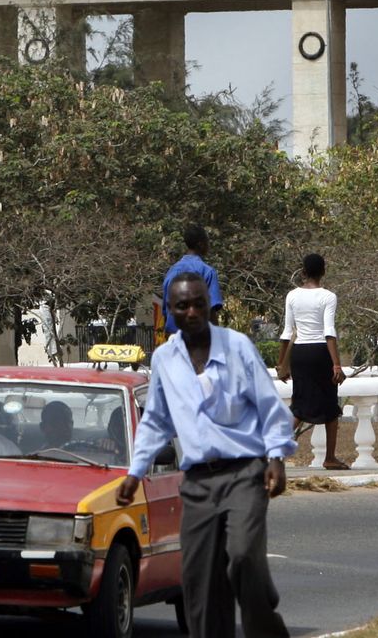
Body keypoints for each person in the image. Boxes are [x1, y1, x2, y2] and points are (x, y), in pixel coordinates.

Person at [119, 272, 296, 638]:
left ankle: (265, 617)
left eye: (199, 303)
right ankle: (249, 597)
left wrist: (276, 456)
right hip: (198, 481)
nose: (192, 311)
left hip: (245, 472)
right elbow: (156, 420)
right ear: (170, 311)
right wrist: (135, 472)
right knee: (200, 581)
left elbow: (268, 405)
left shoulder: (237, 346)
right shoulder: (166, 358)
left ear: (210, 306)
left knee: (244, 555)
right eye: (182, 305)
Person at [276, 253, 347, 470]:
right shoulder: (328, 297)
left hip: (299, 354)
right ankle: (330, 457)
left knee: (299, 405)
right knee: (331, 407)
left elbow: (287, 332)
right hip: (320, 353)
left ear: (303, 272)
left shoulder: (292, 296)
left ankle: (274, 454)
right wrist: (336, 364)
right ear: (323, 271)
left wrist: (281, 364)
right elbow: (329, 331)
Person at [160, 223, 224, 334]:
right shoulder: (207, 272)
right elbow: (211, 311)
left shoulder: (171, 272)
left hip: (174, 337)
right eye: (207, 242)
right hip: (198, 339)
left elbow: (167, 311)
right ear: (201, 244)